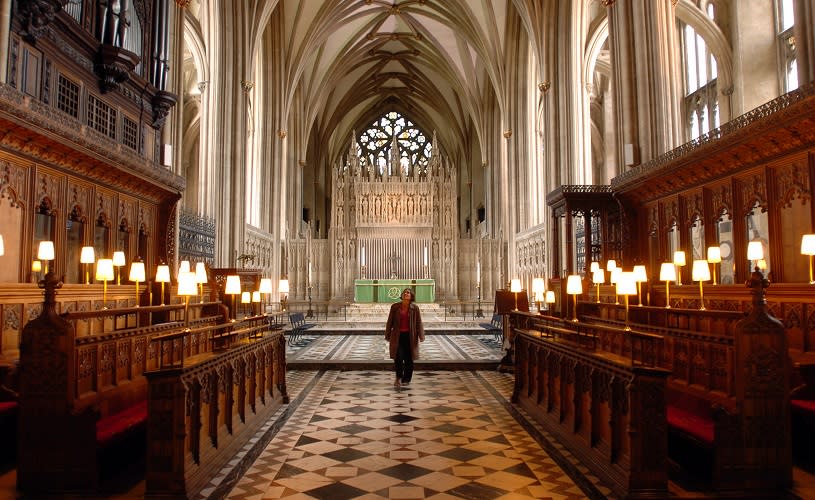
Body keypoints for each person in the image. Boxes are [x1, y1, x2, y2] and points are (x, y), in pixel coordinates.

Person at [385, 287, 424, 387]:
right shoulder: (395, 307)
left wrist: (421, 335)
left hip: (410, 336)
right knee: (398, 357)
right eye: (404, 292)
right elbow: (390, 322)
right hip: (397, 335)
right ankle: (398, 377)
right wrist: (387, 334)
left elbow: (419, 322)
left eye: (408, 293)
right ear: (402, 295)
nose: (406, 294)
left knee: (409, 358)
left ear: (411, 296)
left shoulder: (415, 308)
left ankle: (406, 378)